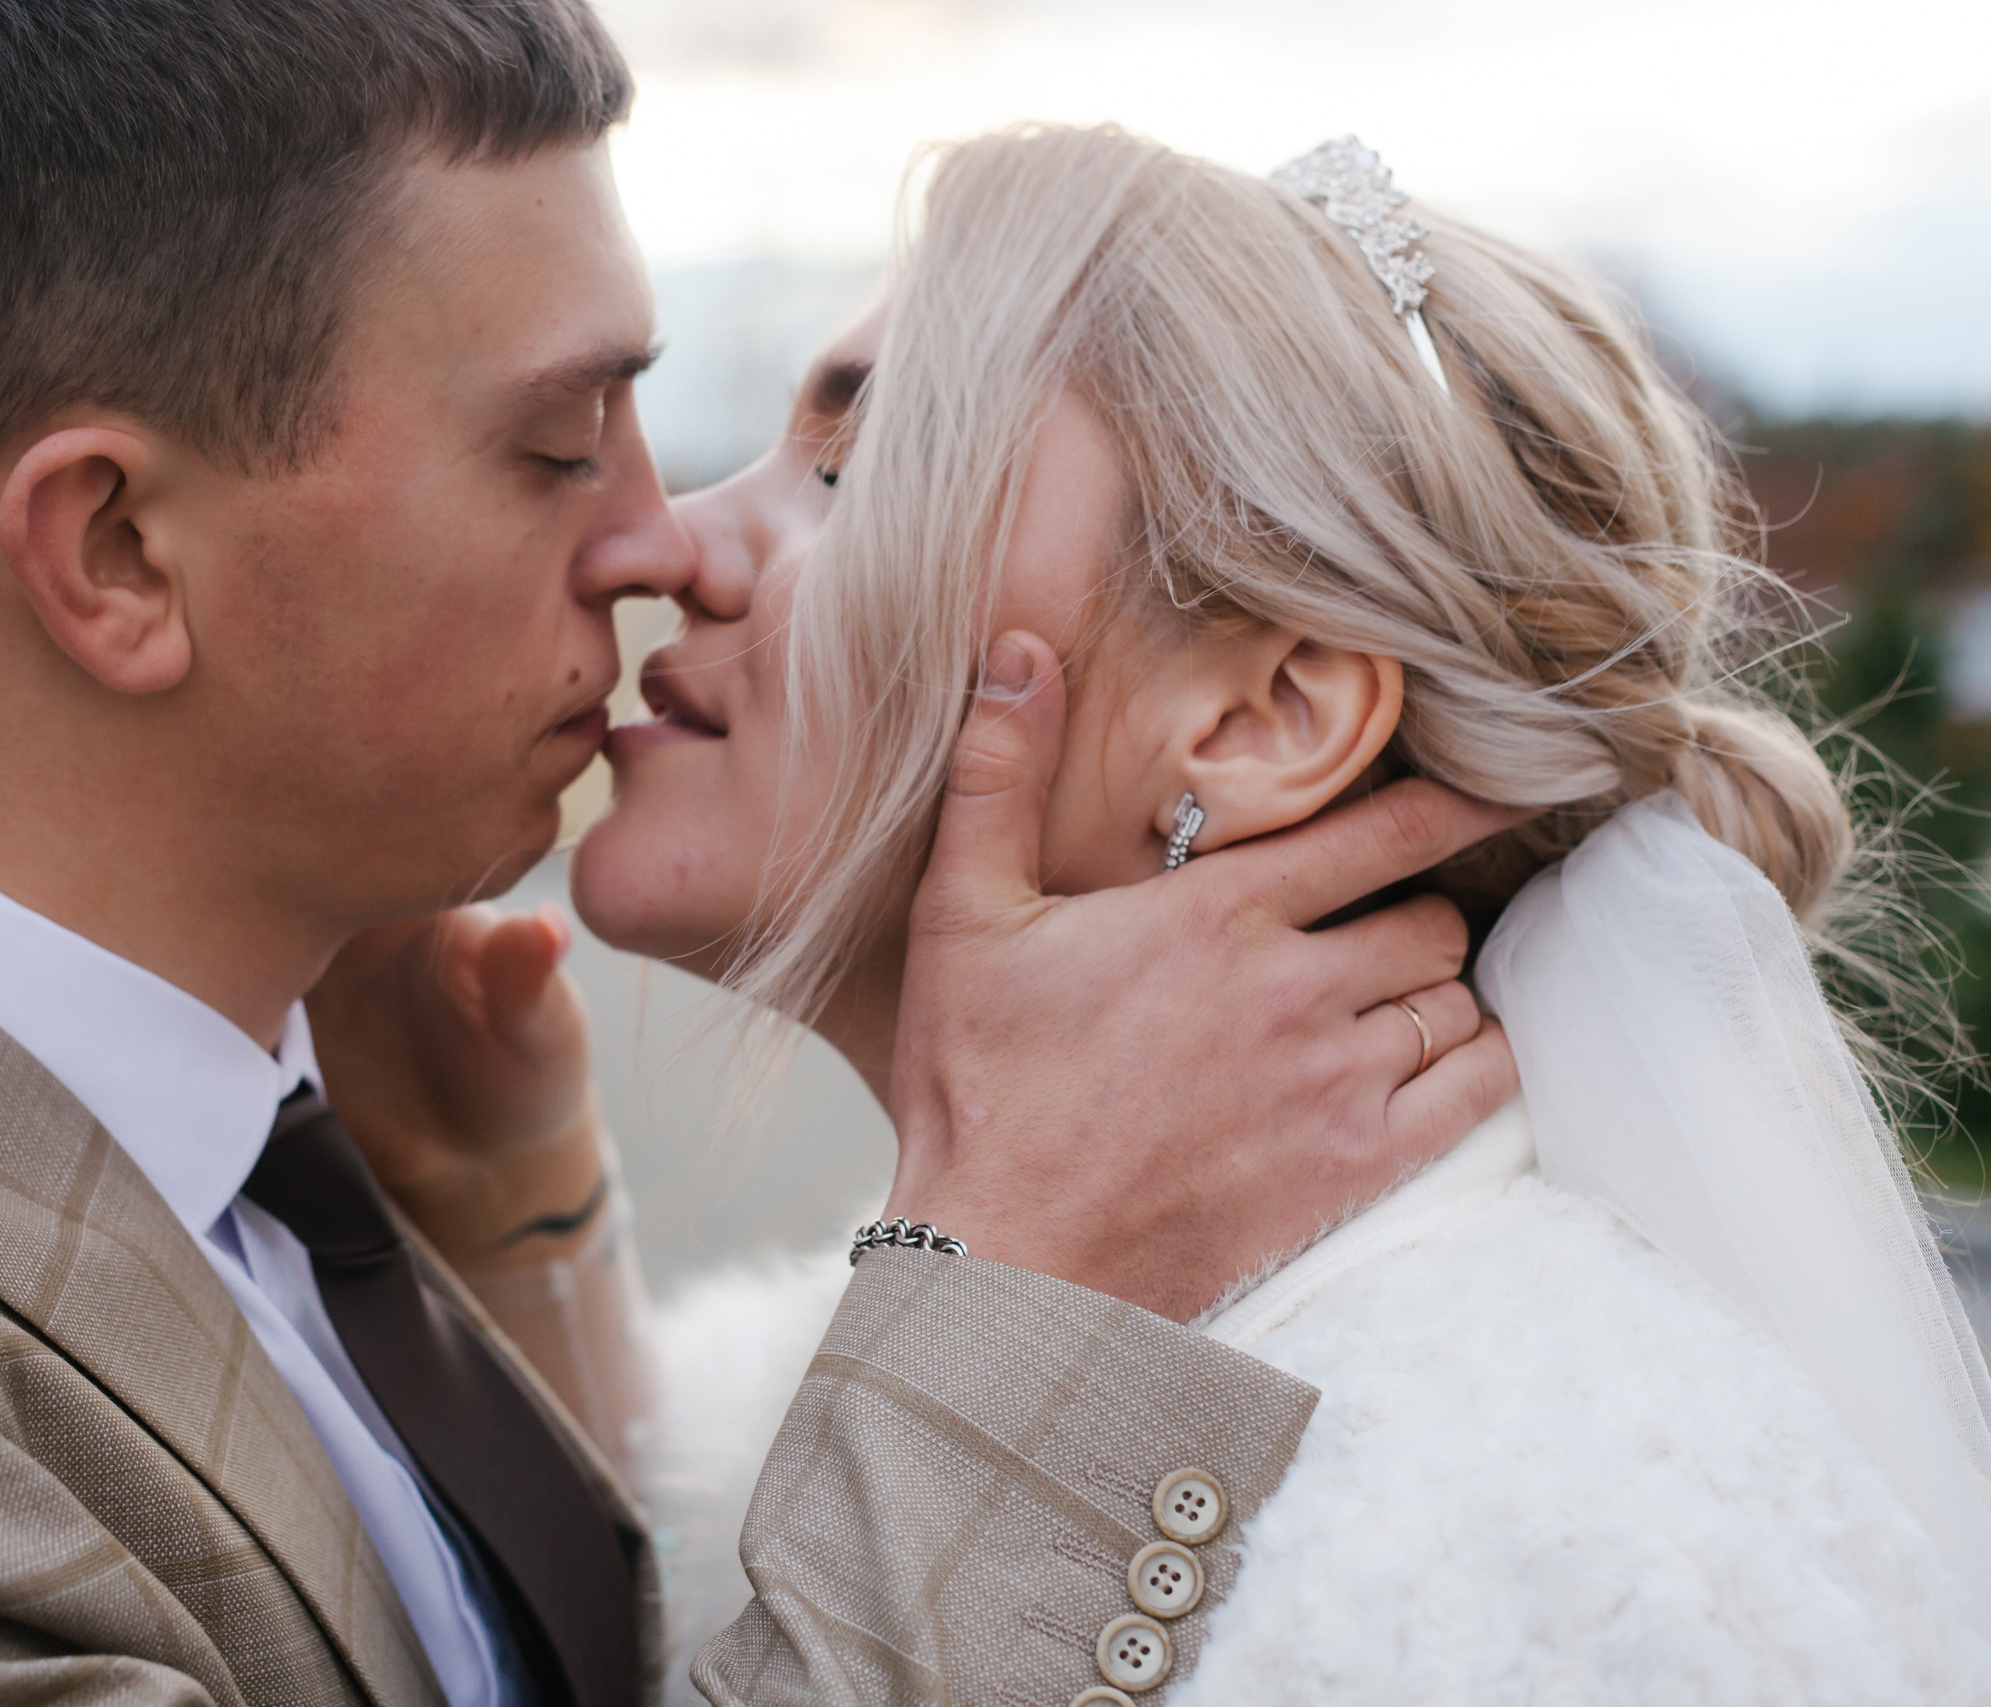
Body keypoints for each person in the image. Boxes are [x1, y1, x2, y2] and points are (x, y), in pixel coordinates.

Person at [0, 11, 1525, 1707]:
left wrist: (510, 1255)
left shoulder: (298, 1169)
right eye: (551, 441)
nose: (656, 535)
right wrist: (1025, 1293)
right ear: (117, 553)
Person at [569, 125, 1991, 1702]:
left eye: (858, 468)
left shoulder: (1499, 1554)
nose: (673, 543)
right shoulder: (944, 1321)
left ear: (1264, 716)